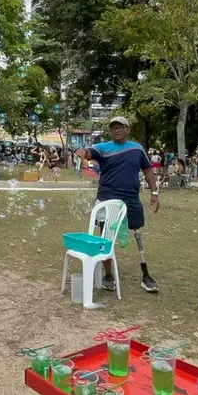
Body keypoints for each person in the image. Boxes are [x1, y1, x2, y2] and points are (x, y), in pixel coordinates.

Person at [75, 116, 161, 293]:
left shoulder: (137, 149)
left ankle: (145, 274)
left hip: (131, 199)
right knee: (106, 238)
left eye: (121, 127)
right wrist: (82, 151)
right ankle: (108, 275)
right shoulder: (103, 147)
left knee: (137, 233)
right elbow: (90, 152)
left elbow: (148, 170)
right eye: (113, 127)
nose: (117, 130)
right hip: (108, 200)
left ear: (127, 129)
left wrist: (154, 192)